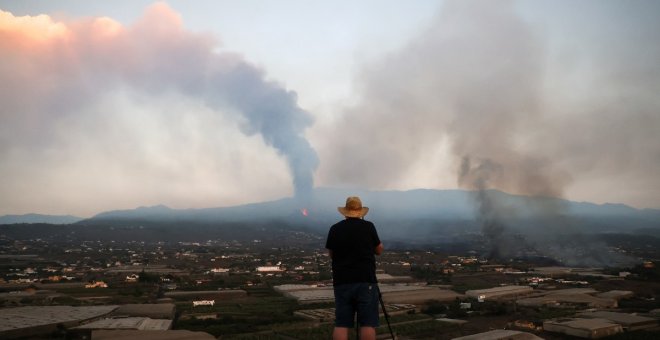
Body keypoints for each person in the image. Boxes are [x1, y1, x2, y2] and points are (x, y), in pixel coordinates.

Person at [325, 196, 384, 340]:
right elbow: (379, 250)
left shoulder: (335, 228)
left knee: (341, 323)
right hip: (365, 280)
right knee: (367, 323)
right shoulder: (368, 226)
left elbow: (331, 254)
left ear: (345, 212)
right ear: (361, 212)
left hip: (342, 281)